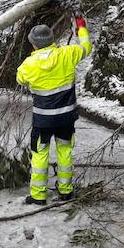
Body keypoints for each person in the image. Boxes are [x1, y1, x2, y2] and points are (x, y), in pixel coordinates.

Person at [16, 16, 92, 205]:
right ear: (52, 40)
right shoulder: (68, 54)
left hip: (43, 120)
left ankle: (39, 195)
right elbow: (86, 47)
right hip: (66, 117)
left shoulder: (28, 65)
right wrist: (80, 28)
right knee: (64, 151)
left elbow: (20, 80)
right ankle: (66, 191)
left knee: (40, 154)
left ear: (33, 44)